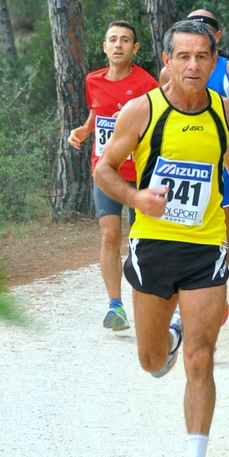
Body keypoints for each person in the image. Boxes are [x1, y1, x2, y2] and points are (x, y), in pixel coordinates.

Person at [94, 19, 229, 457]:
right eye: (184, 57)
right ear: (166, 62)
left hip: (205, 246)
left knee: (202, 355)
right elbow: (103, 169)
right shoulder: (142, 110)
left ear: (214, 62)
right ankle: (166, 340)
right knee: (152, 361)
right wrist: (135, 198)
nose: (193, 66)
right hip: (153, 245)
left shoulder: (228, 112)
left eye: (202, 57)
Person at [161, 9, 229, 326]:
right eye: (190, 27)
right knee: (179, 238)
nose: (197, 32)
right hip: (183, 168)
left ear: (216, 38)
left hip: (223, 169)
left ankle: (212, 295)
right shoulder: (171, 72)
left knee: (218, 241)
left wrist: (225, 128)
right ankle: (186, 304)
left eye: (205, 28)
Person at [68, 21, 158, 331]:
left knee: (140, 241)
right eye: (112, 40)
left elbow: (159, 122)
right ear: (105, 47)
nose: (118, 45)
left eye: (125, 40)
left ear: (135, 49)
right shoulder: (93, 80)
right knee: (110, 235)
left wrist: (133, 118)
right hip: (106, 171)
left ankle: (149, 301)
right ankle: (115, 306)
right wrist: (84, 129)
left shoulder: (147, 83)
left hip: (140, 173)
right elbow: (97, 112)